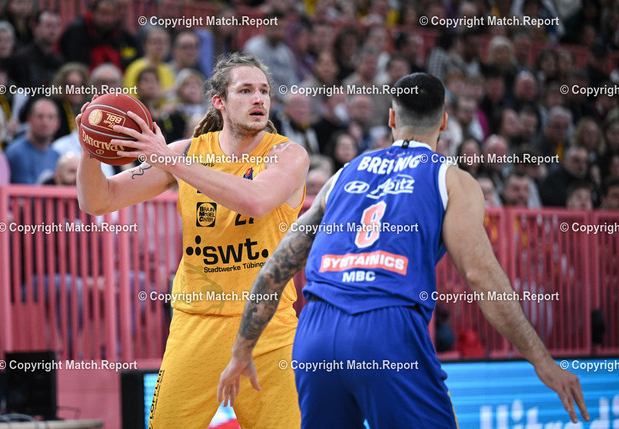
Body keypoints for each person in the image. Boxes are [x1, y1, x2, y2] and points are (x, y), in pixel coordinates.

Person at [217, 73, 589, 428]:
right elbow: (480, 275)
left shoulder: (343, 174)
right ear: (444, 122)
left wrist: (240, 352)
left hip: (315, 332)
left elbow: (274, 270)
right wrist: (541, 360)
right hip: (385, 329)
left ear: (392, 118)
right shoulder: (450, 178)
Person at [76, 52, 308, 428]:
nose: (259, 98)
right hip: (196, 323)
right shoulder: (186, 153)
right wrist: (91, 149)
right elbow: (98, 201)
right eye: (246, 90)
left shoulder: (287, 154)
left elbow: (255, 201)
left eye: (264, 91)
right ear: (219, 101)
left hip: (267, 327)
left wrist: (169, 161)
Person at [5, 97, 60, 184]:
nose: (45, 122)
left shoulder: (56, 156)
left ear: (58, 123)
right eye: (40, 116)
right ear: (29, 119)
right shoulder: (16, 152)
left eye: (50, 117)